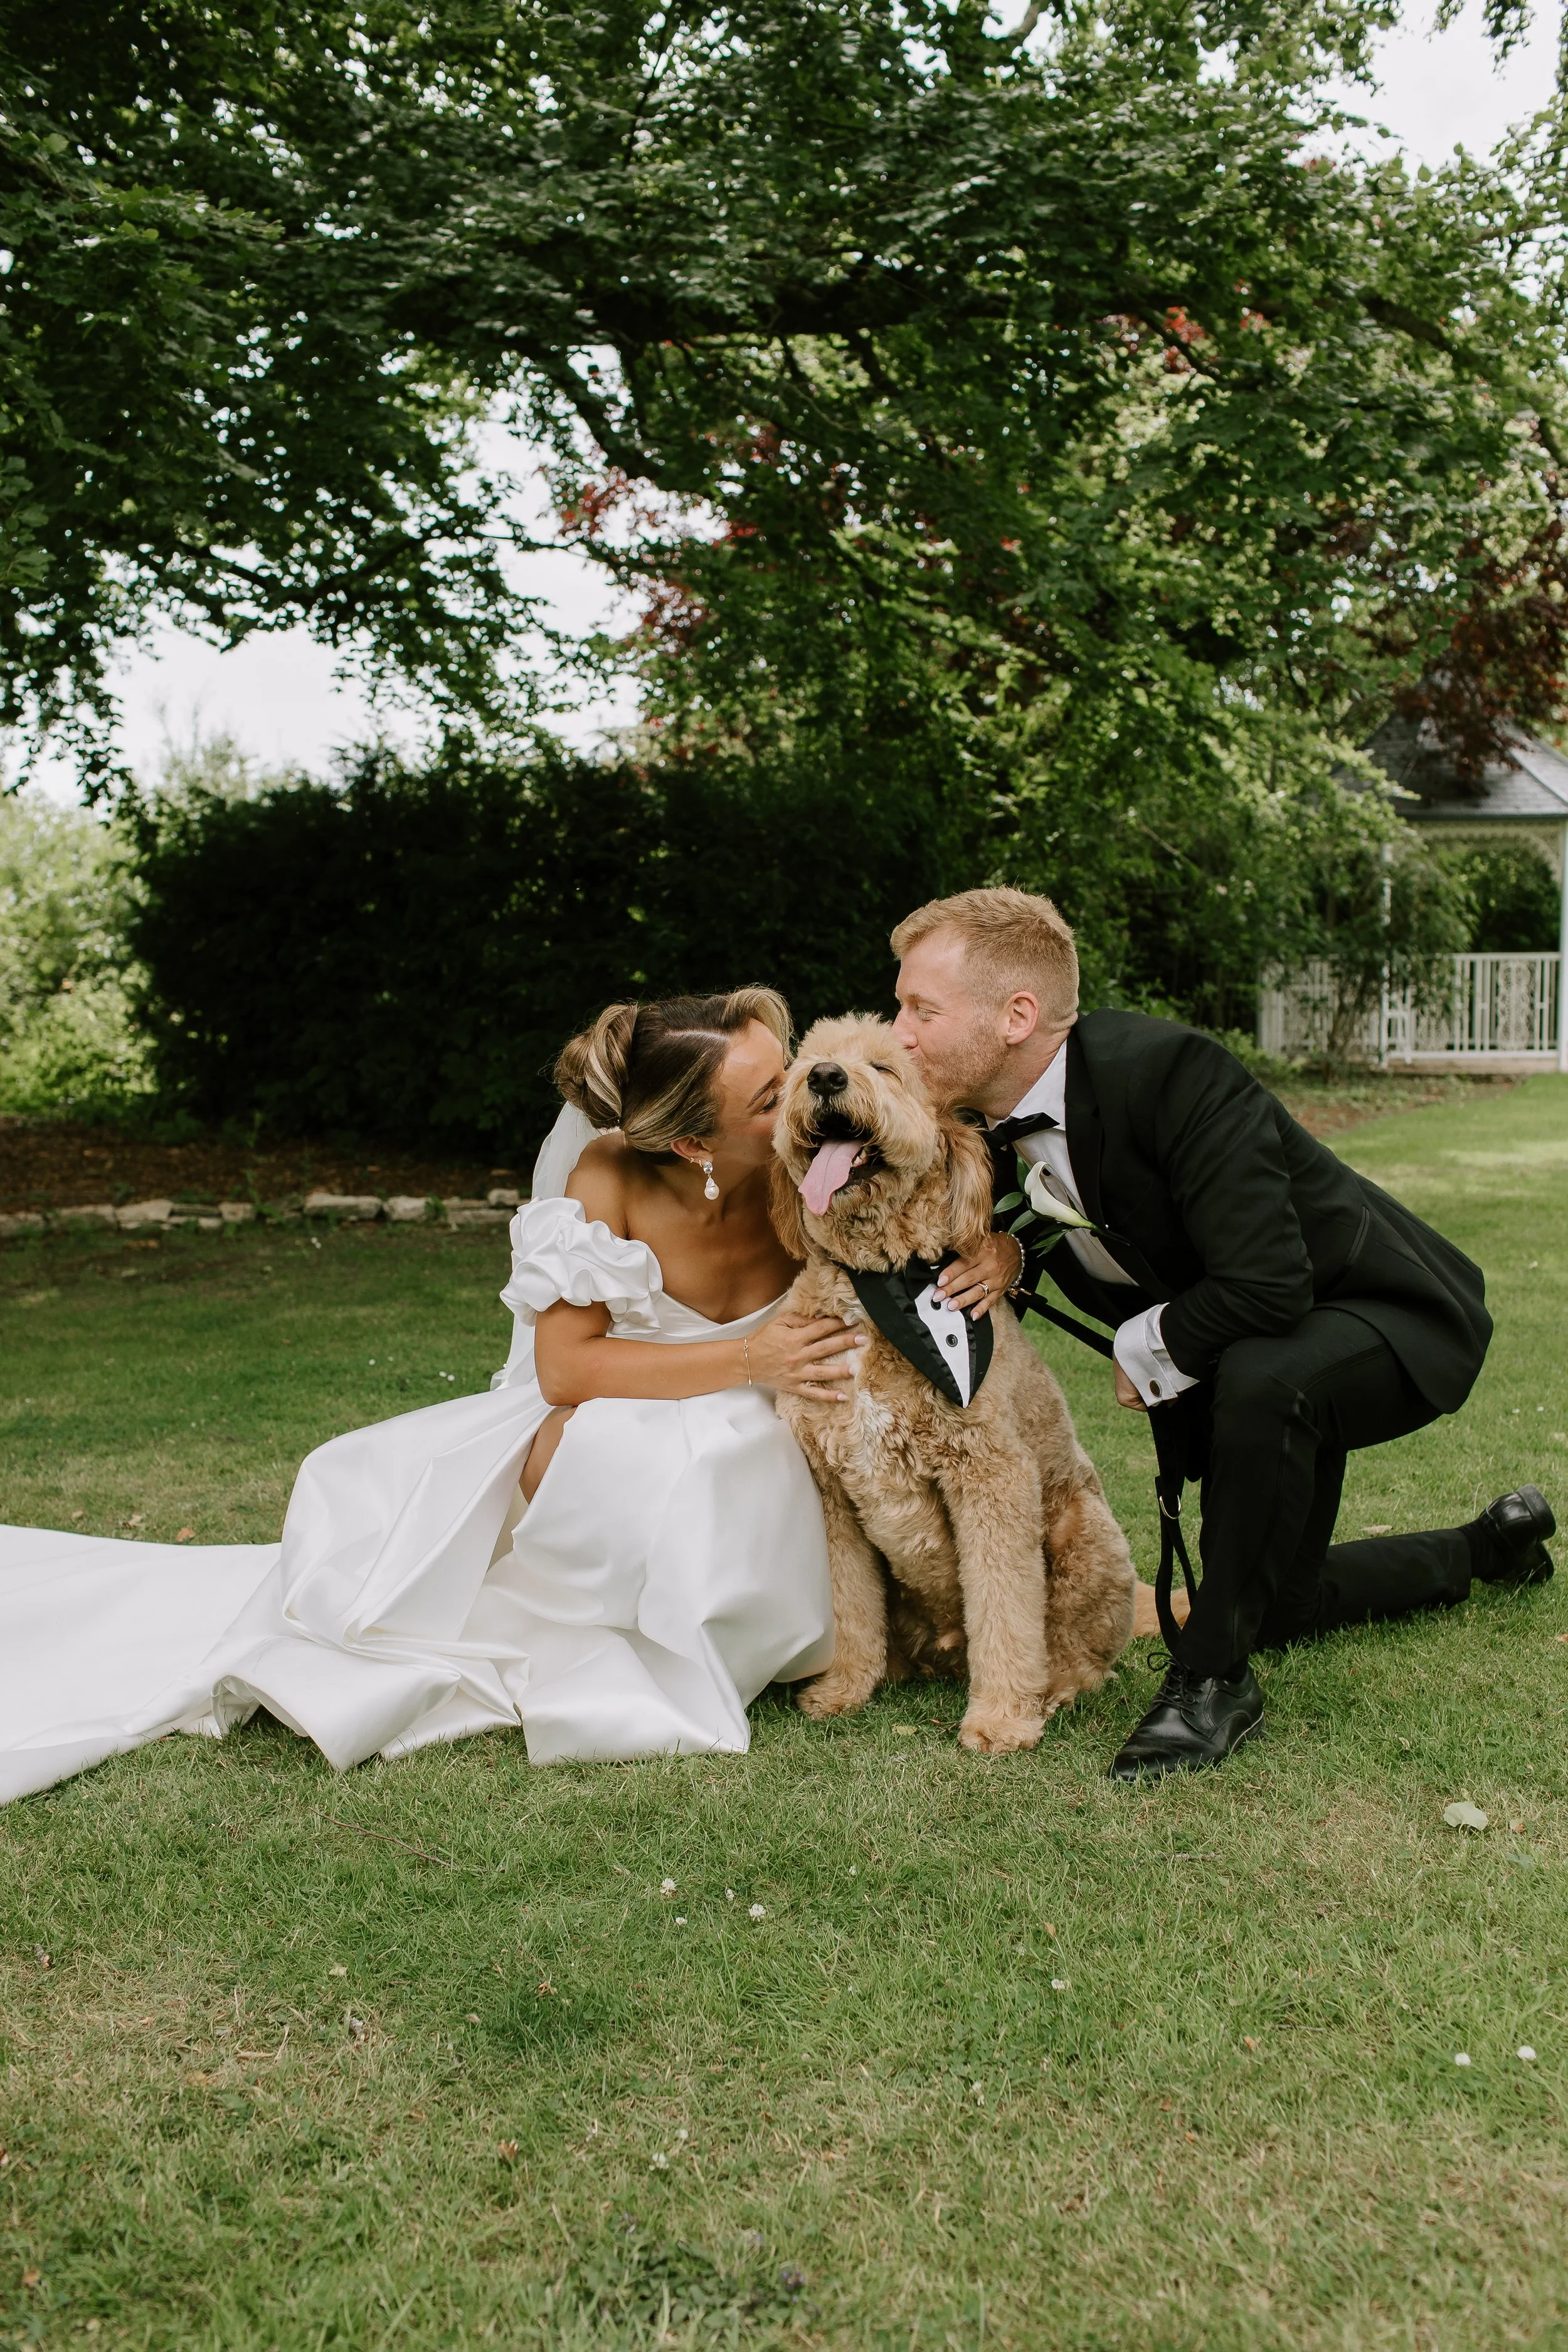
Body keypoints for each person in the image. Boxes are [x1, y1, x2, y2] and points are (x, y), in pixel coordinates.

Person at [0, 990, 862, 1802]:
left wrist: (1003, 1260)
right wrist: (750, 1357)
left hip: (777, 1404)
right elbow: (565, 1371)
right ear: (693, 1148)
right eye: (768, 1095)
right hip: (633, 1406)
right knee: (644, 1448)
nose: (803, 1098)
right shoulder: (607, 1175)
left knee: (754, 1447)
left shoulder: (827, 1159)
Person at [889, 886, 1555, 1782]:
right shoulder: (982, 1119)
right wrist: (1013, 1248)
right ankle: (1488, 1545)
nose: (899, 1031)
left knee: (1262, 1377)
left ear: (1017, 1016)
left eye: (919, 1009)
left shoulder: (1169, 1070)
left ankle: (1211, 1682)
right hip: (1277, 1336)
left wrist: (1143, 1348)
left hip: (1393, 1313)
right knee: (1276, 1603)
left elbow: (1269, 1281)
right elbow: (1092, 1215)